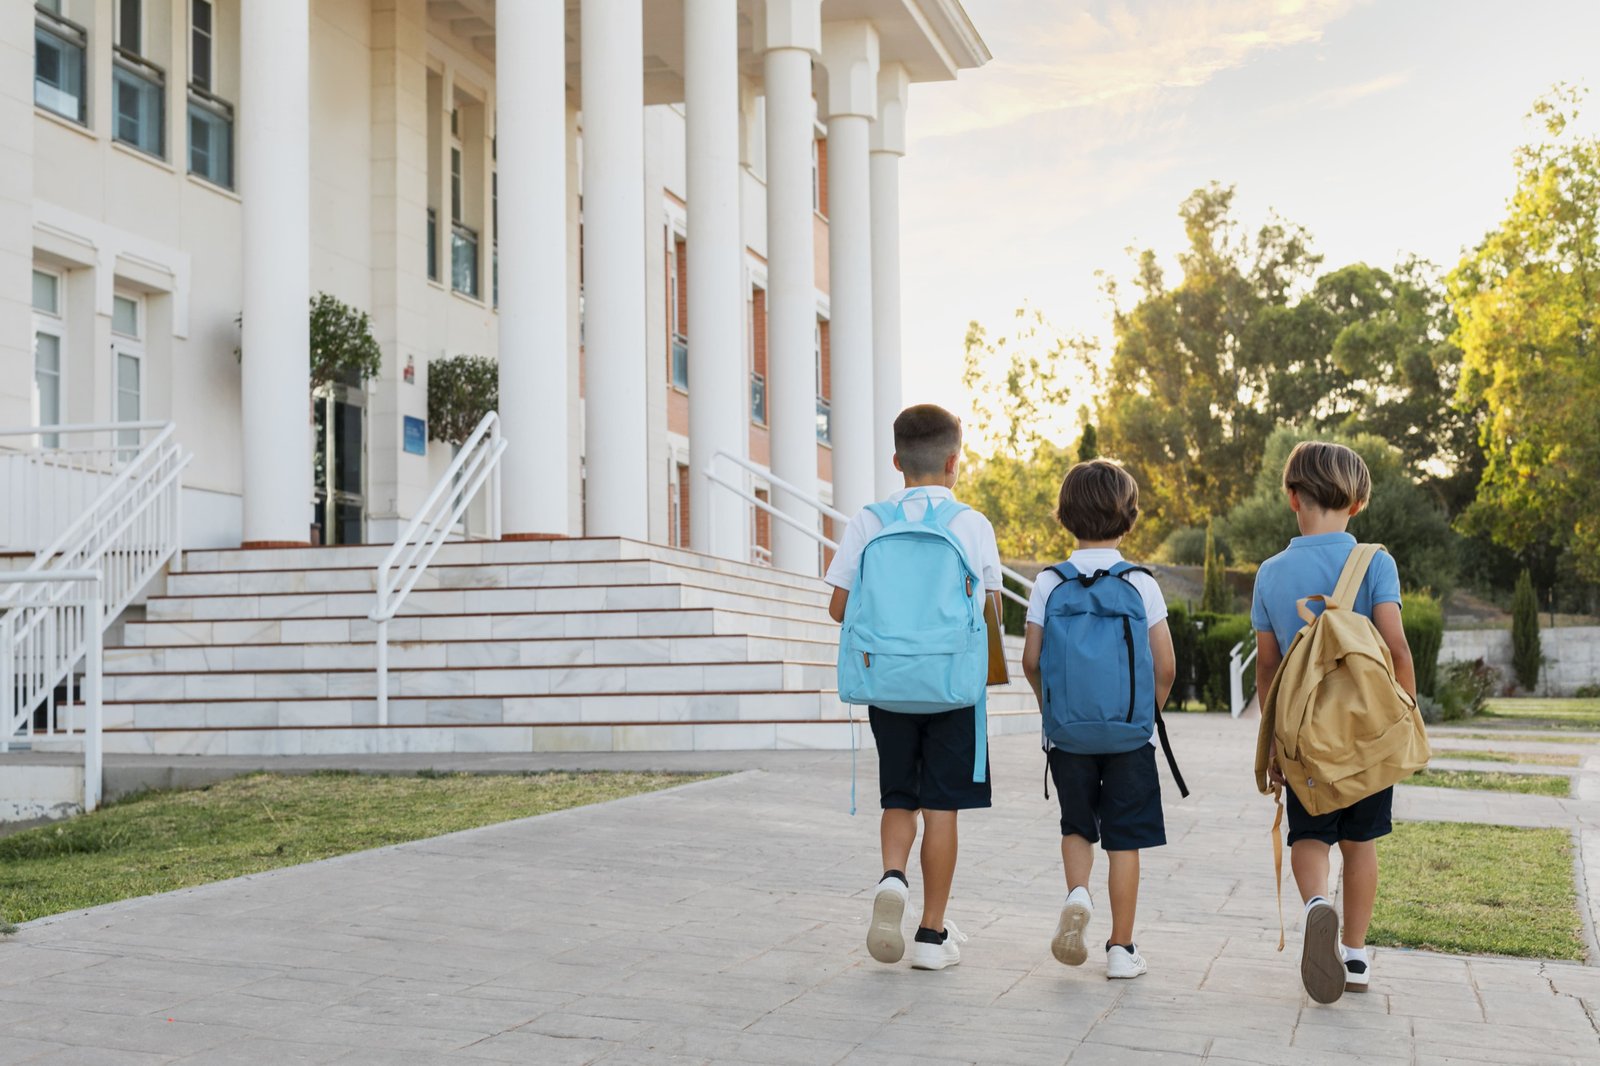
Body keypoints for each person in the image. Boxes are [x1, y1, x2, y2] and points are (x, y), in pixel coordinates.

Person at [825, 403, 1003, 971]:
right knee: (942, 808)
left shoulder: (868, 521)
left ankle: (893, 876)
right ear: (955, 461)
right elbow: (991, 613)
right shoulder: (972, 524)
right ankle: (931, 934)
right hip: (952, 687)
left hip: (889, 684)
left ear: (896, 460)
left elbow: (838, 607)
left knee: (899, 795)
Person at [1251, 440, 1414, 1002]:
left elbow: (1268, 669)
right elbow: (1396, 647)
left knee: (1310, 834)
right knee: (1361, 842)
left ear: (1292, 498)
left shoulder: (1271, 573)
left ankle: (1318, 904)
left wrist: (1273, 744)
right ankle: (1356, 953)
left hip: (1303, 738)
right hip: (1366, 737)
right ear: (1358, 502)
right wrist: (1405, 717)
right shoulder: (1374, 561)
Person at [1022, 459, 1177, 981]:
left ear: (1064, 516)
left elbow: (1031, 659)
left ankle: (1078, 893)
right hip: (1130, 735)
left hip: (1068, 734)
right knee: (1124, 840)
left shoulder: (1048, 582)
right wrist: (1145, 714)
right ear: (1128, 516)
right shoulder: (1140, 583)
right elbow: (1166, 665)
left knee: (1076, 826)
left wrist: (1053, 712)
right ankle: (1122, 948)